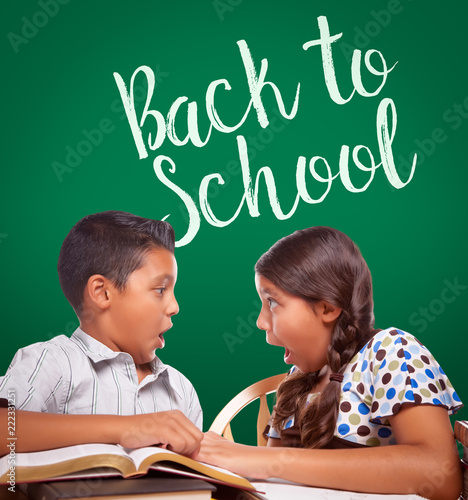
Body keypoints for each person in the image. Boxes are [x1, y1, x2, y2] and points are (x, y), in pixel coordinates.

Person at [196, 226, 463, 499]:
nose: (260, 322)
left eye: (272, 302)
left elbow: (440, 474)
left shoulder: (392, 351)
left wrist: (262, 459)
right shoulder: (297, 379)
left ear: (328, 307)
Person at [0, 211, 202, 457]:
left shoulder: (181, 389)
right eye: (160, 290)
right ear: (102, 293)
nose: (174, 306)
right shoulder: (52, 363)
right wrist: (126, 428)